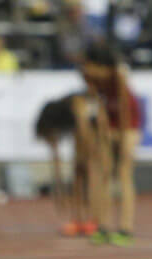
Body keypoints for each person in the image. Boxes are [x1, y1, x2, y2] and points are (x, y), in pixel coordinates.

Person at [80, 41, 140, 246]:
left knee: (123, 173)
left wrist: (122, 139)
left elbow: (125, 109)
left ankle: (126, 229)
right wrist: (102, 129)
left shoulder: (118, 75)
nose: (86, 69)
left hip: (128, 125)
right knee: (102, 173)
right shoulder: (89, 75)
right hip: (108, 124)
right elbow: (96, 103)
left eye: (90, 64)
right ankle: (102, 226)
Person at [34, 92, 106, 237]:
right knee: (79, 173)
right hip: (84, 126)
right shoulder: (57, 118)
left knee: (92, 173)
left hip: (96, 129)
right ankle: (78, 220)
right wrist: (59, 190)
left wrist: (87, 157)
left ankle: (96, 221)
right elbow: (56, 158)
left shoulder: (77, 104)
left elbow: (86, 131)